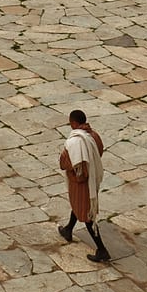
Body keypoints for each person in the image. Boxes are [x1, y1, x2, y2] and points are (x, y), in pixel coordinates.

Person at [57, 109, 110, 263]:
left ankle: (102, 249)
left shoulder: (75, 141)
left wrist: (76, 173)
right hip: (91, 180)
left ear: (74, 122)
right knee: (78, 205)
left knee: (86, 214)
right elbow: (98, 152)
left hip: (80, 182)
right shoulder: (94, 136)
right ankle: (68, 229)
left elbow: (65, 162)